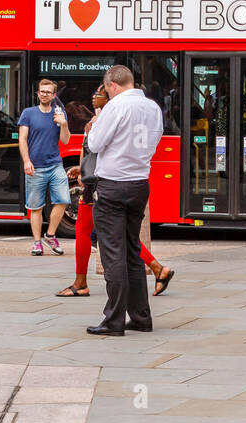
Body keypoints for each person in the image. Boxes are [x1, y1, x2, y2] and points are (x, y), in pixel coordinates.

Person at [56, 84, 175, 299]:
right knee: (116, 234)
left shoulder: (107, 116)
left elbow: (98, 147)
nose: (94, 96)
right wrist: (81, 169)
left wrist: (88, 170)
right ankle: (158, 269)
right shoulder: (108, 115)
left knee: (88, 231)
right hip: (107, 180)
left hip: (102, 184)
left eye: (100, 93)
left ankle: (81, 283)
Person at [81, 65, 164, 336]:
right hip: (140, 184)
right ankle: (141, 317)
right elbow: (156, 140)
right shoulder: (152, 108)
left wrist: (94, 125)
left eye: (107, 90)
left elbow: (94, 143)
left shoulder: (115, 108)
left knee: (112, 253)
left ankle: (113, 319)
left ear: (112, 85)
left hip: (113, 184)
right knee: (132, 251)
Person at [19, 78, 72, 256]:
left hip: (55, 164)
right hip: (36, 166)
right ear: (38, 93)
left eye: (48, 92)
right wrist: (26, 161)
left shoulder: (59, 113)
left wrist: (63, 124)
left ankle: (50, 235)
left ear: (54, 95)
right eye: (42, 91)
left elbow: (65, 140)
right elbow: (22, 140)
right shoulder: (28, 113)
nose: (44, 94)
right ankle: (36, 242)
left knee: (63, 199)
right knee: (36, 207)